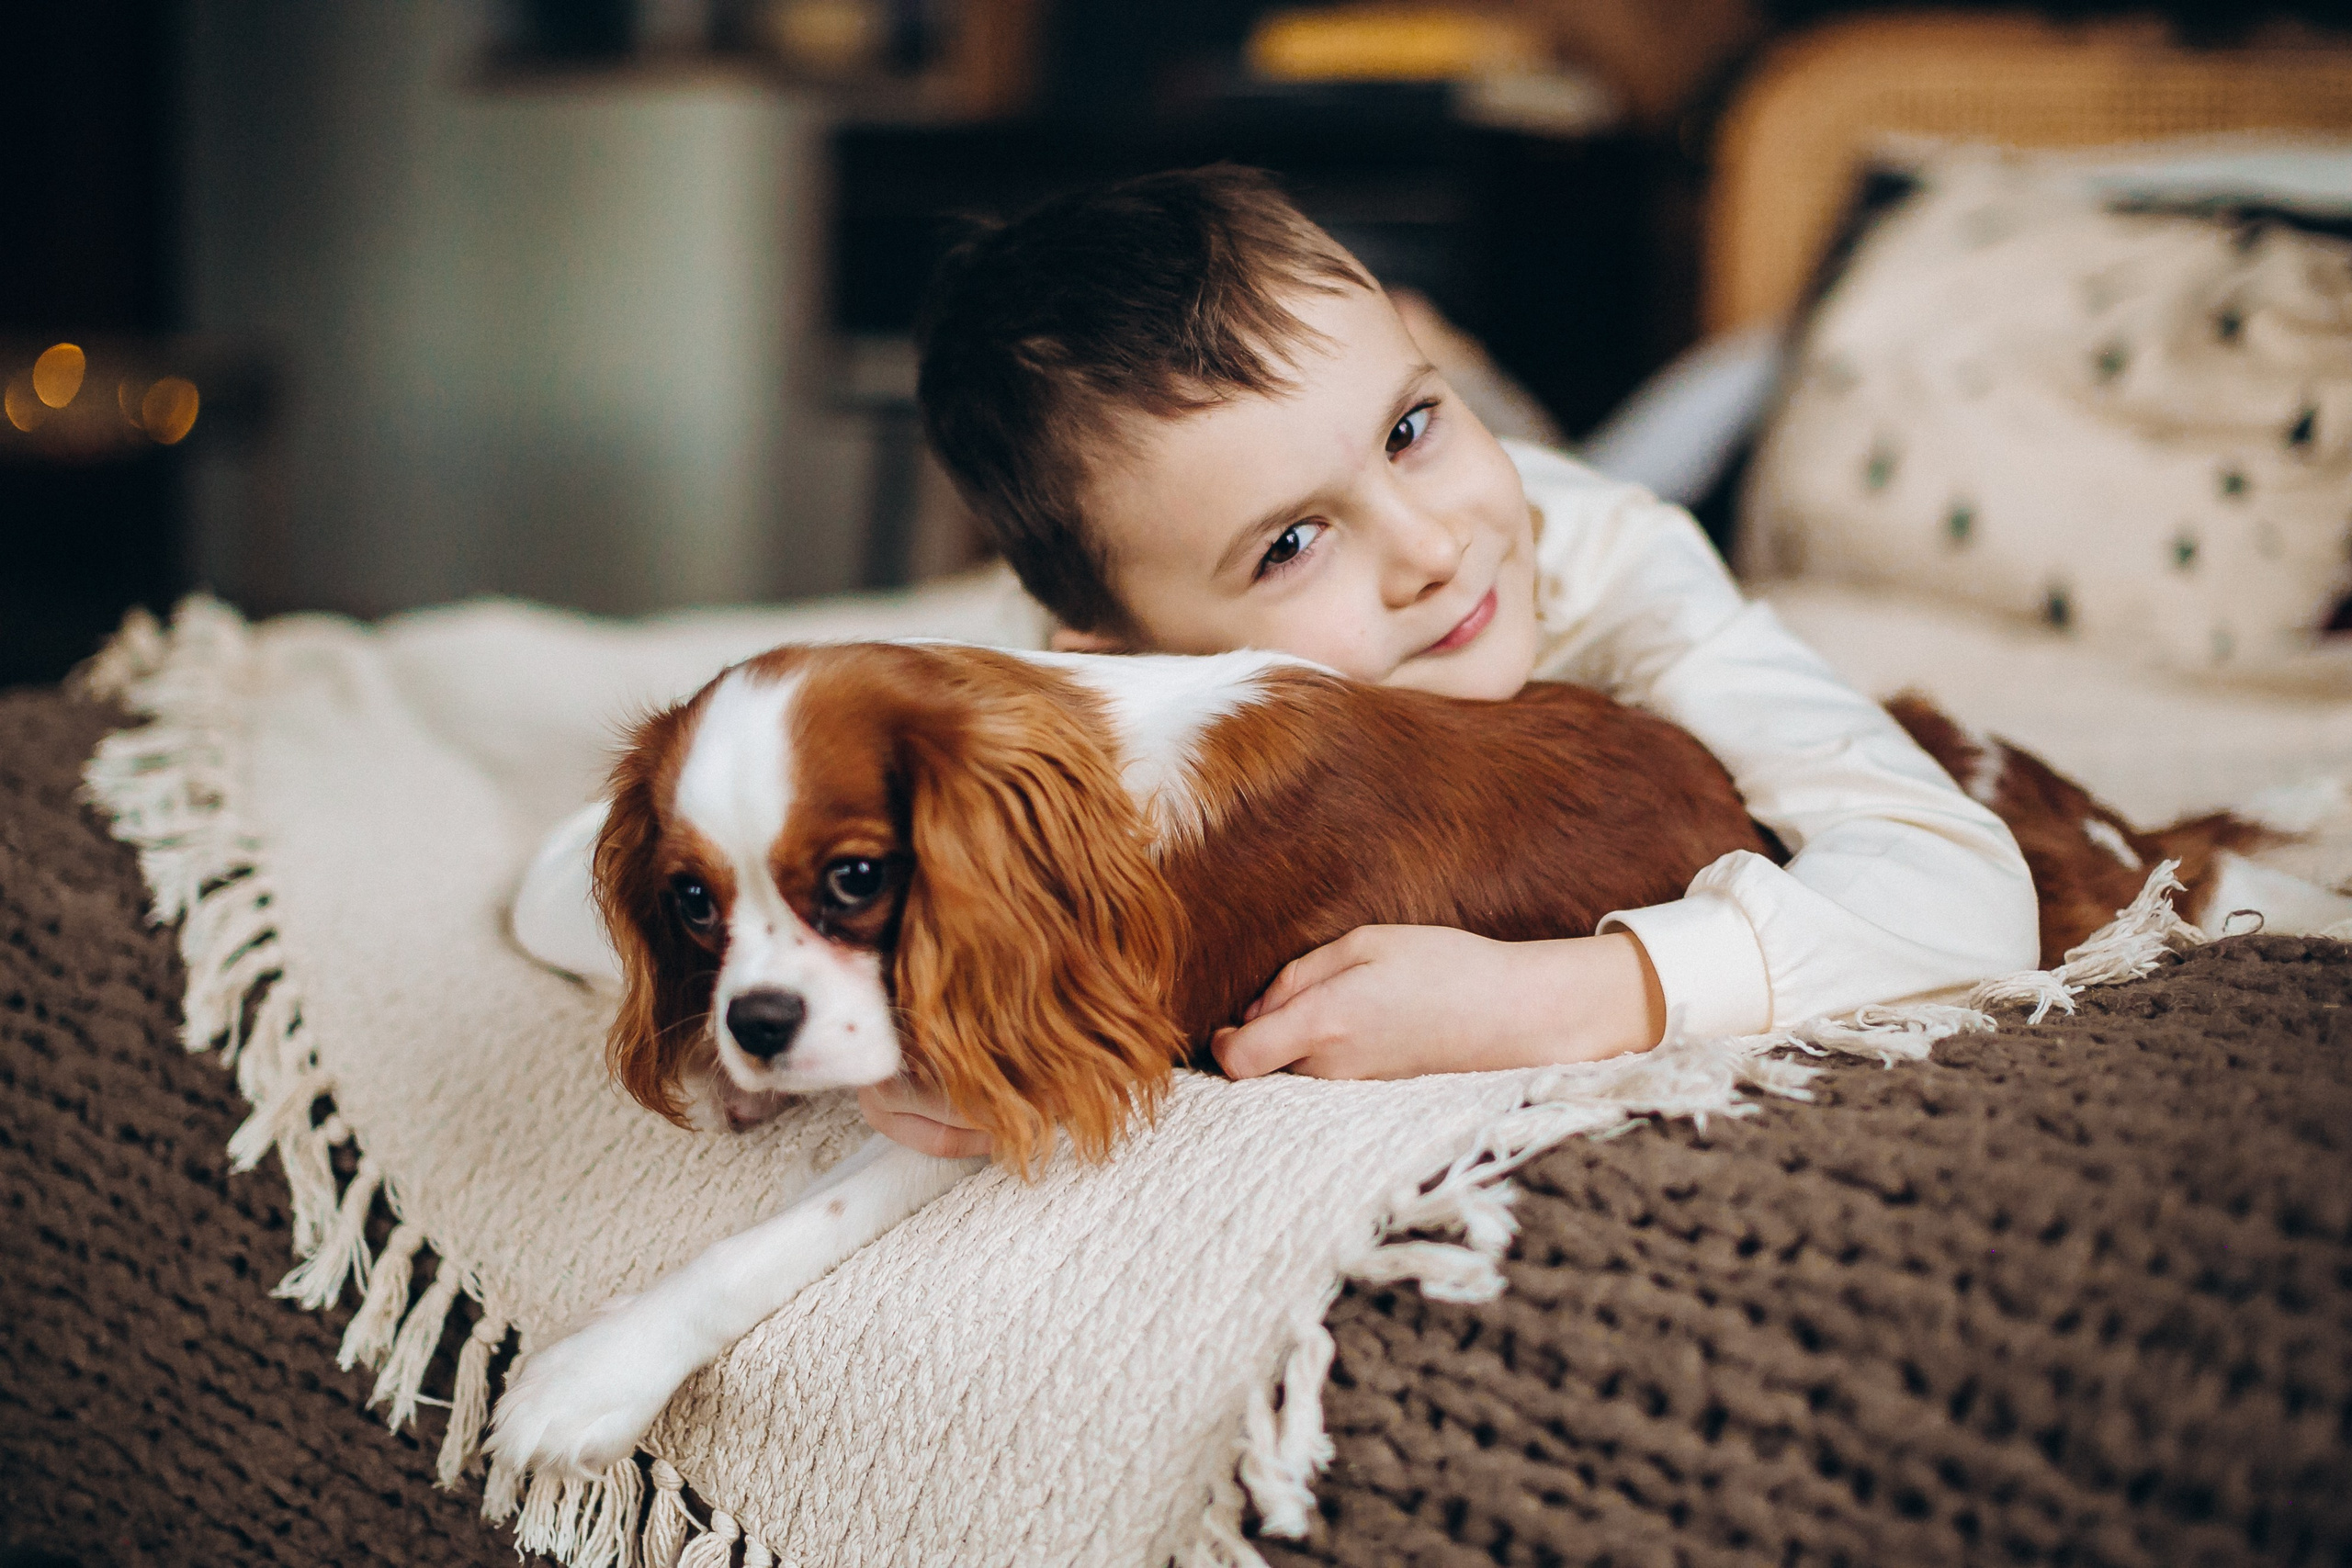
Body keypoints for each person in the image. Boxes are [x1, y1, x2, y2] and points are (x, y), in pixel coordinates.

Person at [855, 165, 2039, 1157]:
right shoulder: (1080, 707)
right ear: (1130, 662)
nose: (1430, 551)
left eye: (1410, 427)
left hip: (1576, 490)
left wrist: (1561, 996)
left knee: (1617, 459)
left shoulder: (1619, 573)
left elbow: (1966, 898)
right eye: (1291, 545)